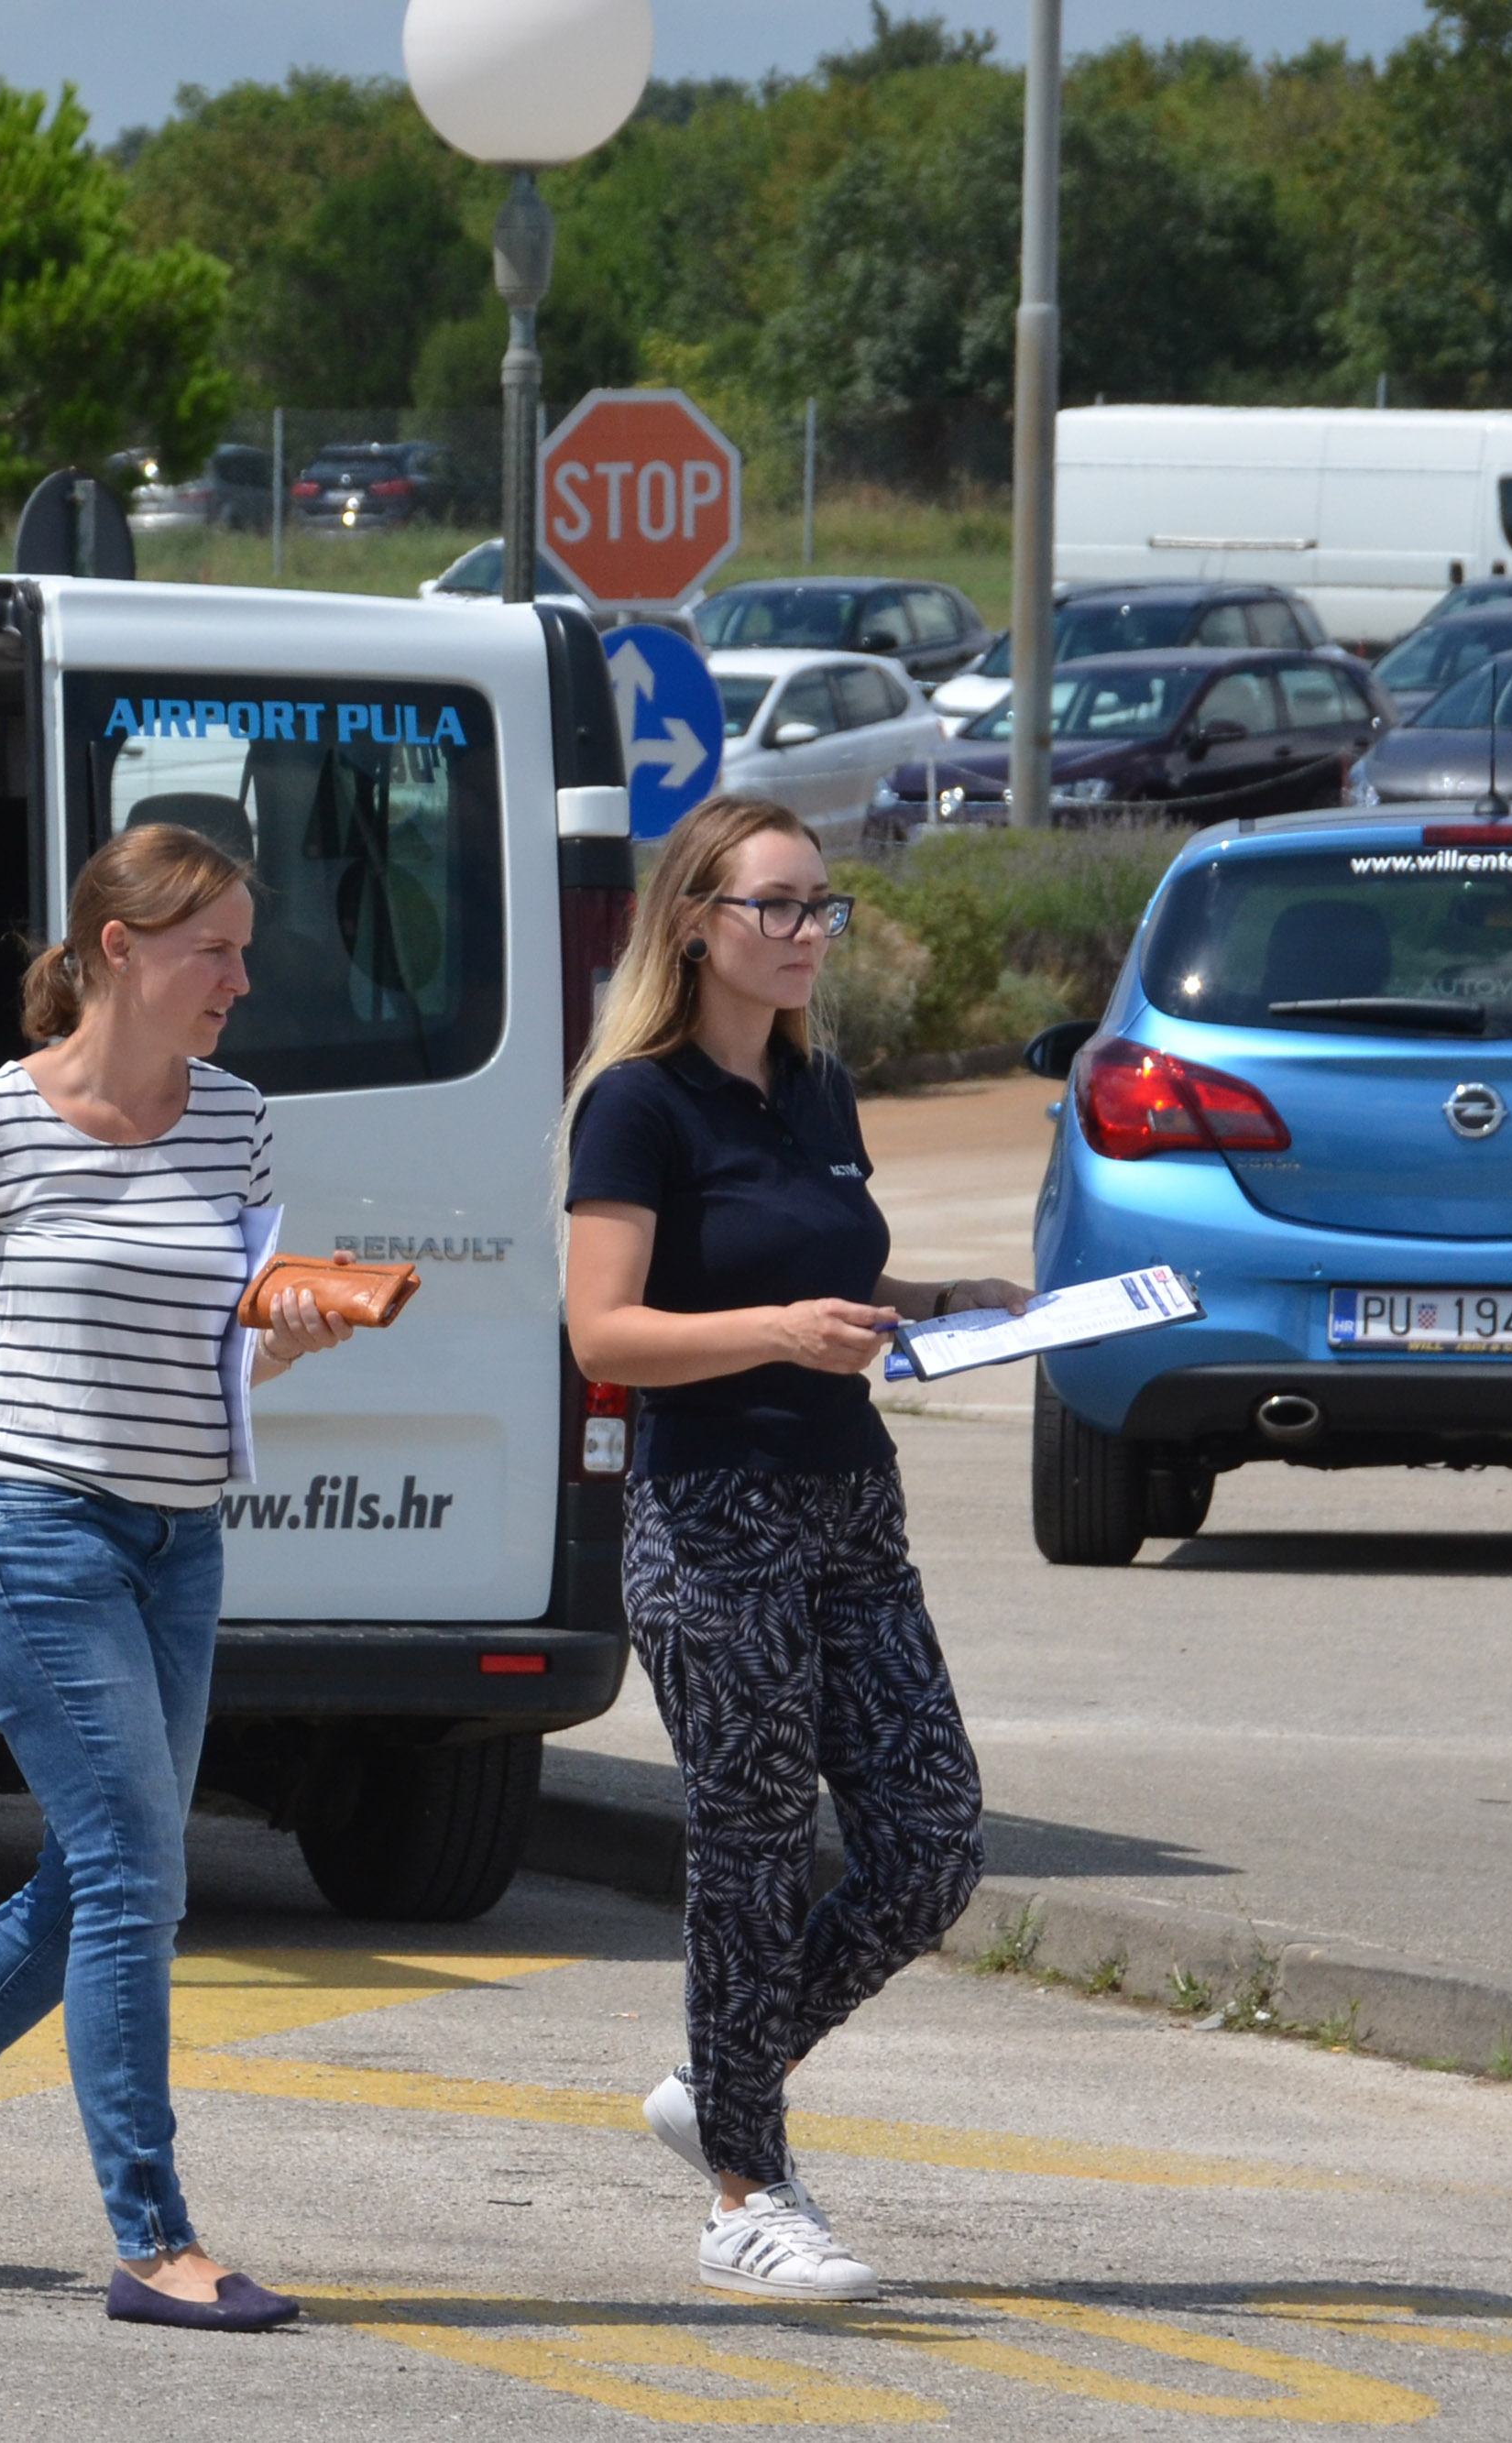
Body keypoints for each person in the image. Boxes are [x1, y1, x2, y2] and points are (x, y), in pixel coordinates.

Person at [0, 824, 354, 2334]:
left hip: (178, 1536)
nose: (240, 980)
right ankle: (153, 2236)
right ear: (119, 951)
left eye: (245, 950)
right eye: (215, 952)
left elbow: (222, 1342)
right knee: (132, 1876)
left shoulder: (234, 1119)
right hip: (17, 1523)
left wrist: (285, 1334)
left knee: (104, 1876)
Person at [559, 794, 1011, 2305]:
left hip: (848, 1506)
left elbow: (824, 1265)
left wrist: (935, 1297)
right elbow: (603, 1327)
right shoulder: (638, 1101)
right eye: (779, 907)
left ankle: (720, 2080)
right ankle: (747, 2191)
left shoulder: (816, 1087)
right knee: (751, 1851)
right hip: (715, 1517)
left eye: (826, 907)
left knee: (931, 1841)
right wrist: (780, 1334)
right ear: (697, 922)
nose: (810, 934)